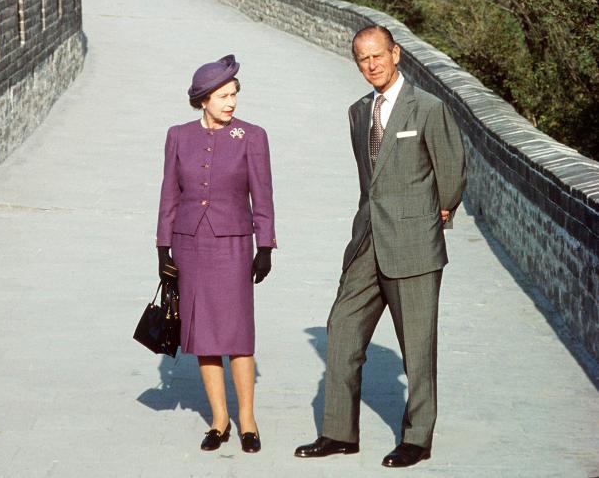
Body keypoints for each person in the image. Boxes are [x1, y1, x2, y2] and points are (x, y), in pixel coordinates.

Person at [295, 25, 466, 469]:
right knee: (342, 330)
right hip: (367, 241)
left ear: (396, 54)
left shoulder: (427, 108)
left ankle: (417, 437)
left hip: (413, 244)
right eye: (362, 59)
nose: (371, 65)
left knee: (417, 346)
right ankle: (338, 433)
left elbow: (452, 172)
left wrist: (437, 215)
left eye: (378, 56)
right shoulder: (357, 112)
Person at [156, 55, 276, 455]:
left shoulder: (253, 136)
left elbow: (263, 194)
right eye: (223, 96)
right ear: (203, 99)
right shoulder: (178, 135)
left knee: (238, 335)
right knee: (204, 335)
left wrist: (266, 246)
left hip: (234, 245)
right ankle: (219, 419)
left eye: (234, 94)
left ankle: (248, 421)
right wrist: (162, 246)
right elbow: (169, 194)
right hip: (189, 245)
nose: (231, 103)